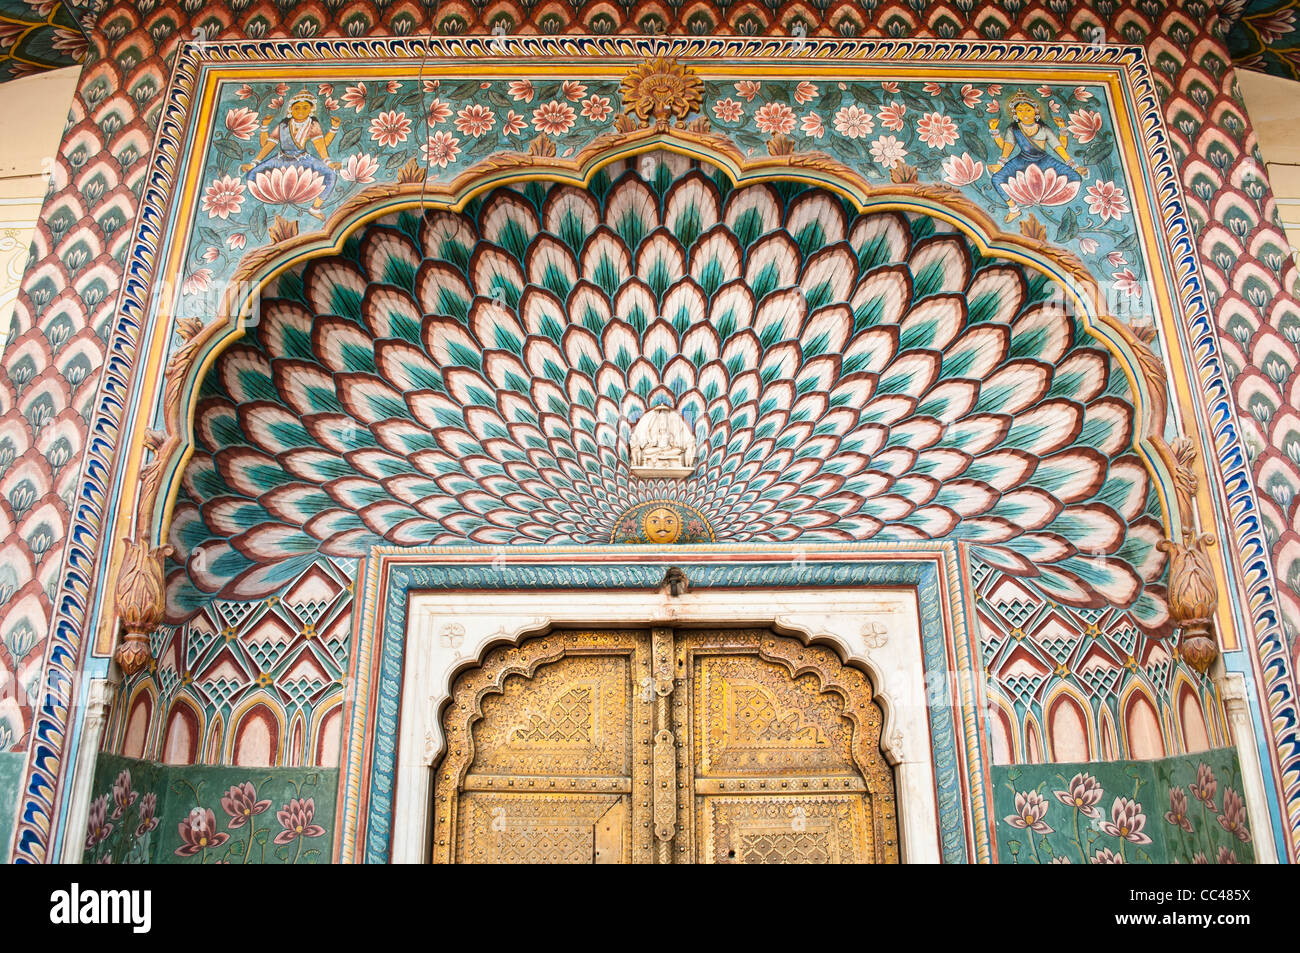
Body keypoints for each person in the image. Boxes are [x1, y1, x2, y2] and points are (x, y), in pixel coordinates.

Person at [240, 89, 341, 220]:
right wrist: (254, 162)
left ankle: (315, 208)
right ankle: (266, 203)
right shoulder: (284, 125)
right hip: (281, 158)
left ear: (311, 109)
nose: (301, 111)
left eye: (305, 107)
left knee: (331, 175)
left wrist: (329, 161)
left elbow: (321, 145)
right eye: (297, 107)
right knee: (252, 174)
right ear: (291, 109)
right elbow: (268, 144)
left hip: (303, 158)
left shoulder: (313, 124)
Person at [988, 92, 1088, 223]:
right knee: (996, 179)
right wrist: (995, 136)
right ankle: (1014, 209)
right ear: (1015, 114)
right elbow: (1007, 147)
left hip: (1044, 160)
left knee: (1075, 177)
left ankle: (1051, 199)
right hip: (1022, 160)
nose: (1024, 114)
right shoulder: (1014, 129)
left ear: (1035, 111)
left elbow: (1058, 147)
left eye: (1028, 110)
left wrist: (1074, 166)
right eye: (1020, 111)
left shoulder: (1043, 129)